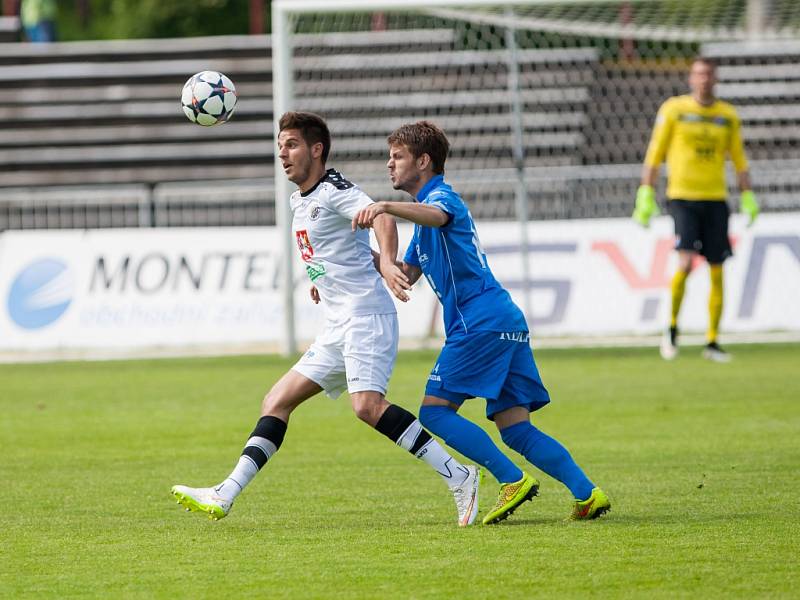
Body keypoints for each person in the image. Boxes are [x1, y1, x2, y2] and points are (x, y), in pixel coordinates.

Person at [172, 112, 482, 526]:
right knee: (276, 402)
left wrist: (388, 263)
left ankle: (460, 476)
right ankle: (225, 493)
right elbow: (330, 249)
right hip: (337, 322)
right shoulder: (298, 199)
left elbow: (382, 215)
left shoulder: (335, 189)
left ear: (316, 150)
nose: (283, 154)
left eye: (293, 145)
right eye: (280, 146)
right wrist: (320, 279)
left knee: (367, 407)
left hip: (365, 316)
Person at [352, 121, 610, 522]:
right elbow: (404, 273)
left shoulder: (442, 198)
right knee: (516, 429)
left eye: (397, 157)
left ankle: (510, 479)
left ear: (424, 161)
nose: (390, 165)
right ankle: (586, 492)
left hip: (480, 323)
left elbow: (437, 215)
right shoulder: (424, 226)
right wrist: (358, 256)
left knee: (435, 412)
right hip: (504, 320)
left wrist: (385, 206)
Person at [632, 57, 759, 362]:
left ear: (715, 79)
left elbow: (739, 159)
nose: (703, 79)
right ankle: (672, 328)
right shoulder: (674, 110)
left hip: (716, 199)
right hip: (683, 198)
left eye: (708, 75)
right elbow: (656, 152)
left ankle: (712, 341)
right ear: (691, 78)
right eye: (698, 74)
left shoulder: (727, 116)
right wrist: (645, 191)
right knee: (686, 264)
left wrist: (748, 195)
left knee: (718, 269)